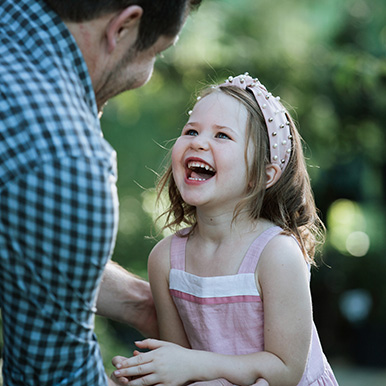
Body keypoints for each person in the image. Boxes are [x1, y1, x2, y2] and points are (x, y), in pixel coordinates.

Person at [0, 0, 202, 385]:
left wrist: (141, 302)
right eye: (156, 53)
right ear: (123, 26)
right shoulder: (63, 153)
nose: (147, 73)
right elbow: (51, 376)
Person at [111, 73, 339, 386]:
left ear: (263, 175)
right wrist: (148, 375)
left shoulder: (276, 255)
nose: (198, 142)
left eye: (222, 136)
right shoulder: (166, 259)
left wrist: (193, 363)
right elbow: (179, 365)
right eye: (191, 130)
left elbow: (285, 371)